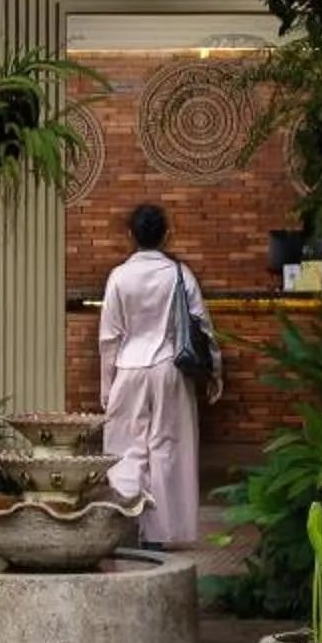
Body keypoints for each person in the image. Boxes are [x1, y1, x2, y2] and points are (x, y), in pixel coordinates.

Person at [98, 202, 214, 548]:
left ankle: (128, 522)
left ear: (130, 235)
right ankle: (160, 534)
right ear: (166, 234)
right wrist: (215, 372)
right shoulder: (179, 274)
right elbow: (202, 327)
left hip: (129, 369)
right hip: (169, 370)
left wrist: (107, 386)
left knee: (125, 449)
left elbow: (109, 338)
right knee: (168, 449)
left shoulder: (119, 277)